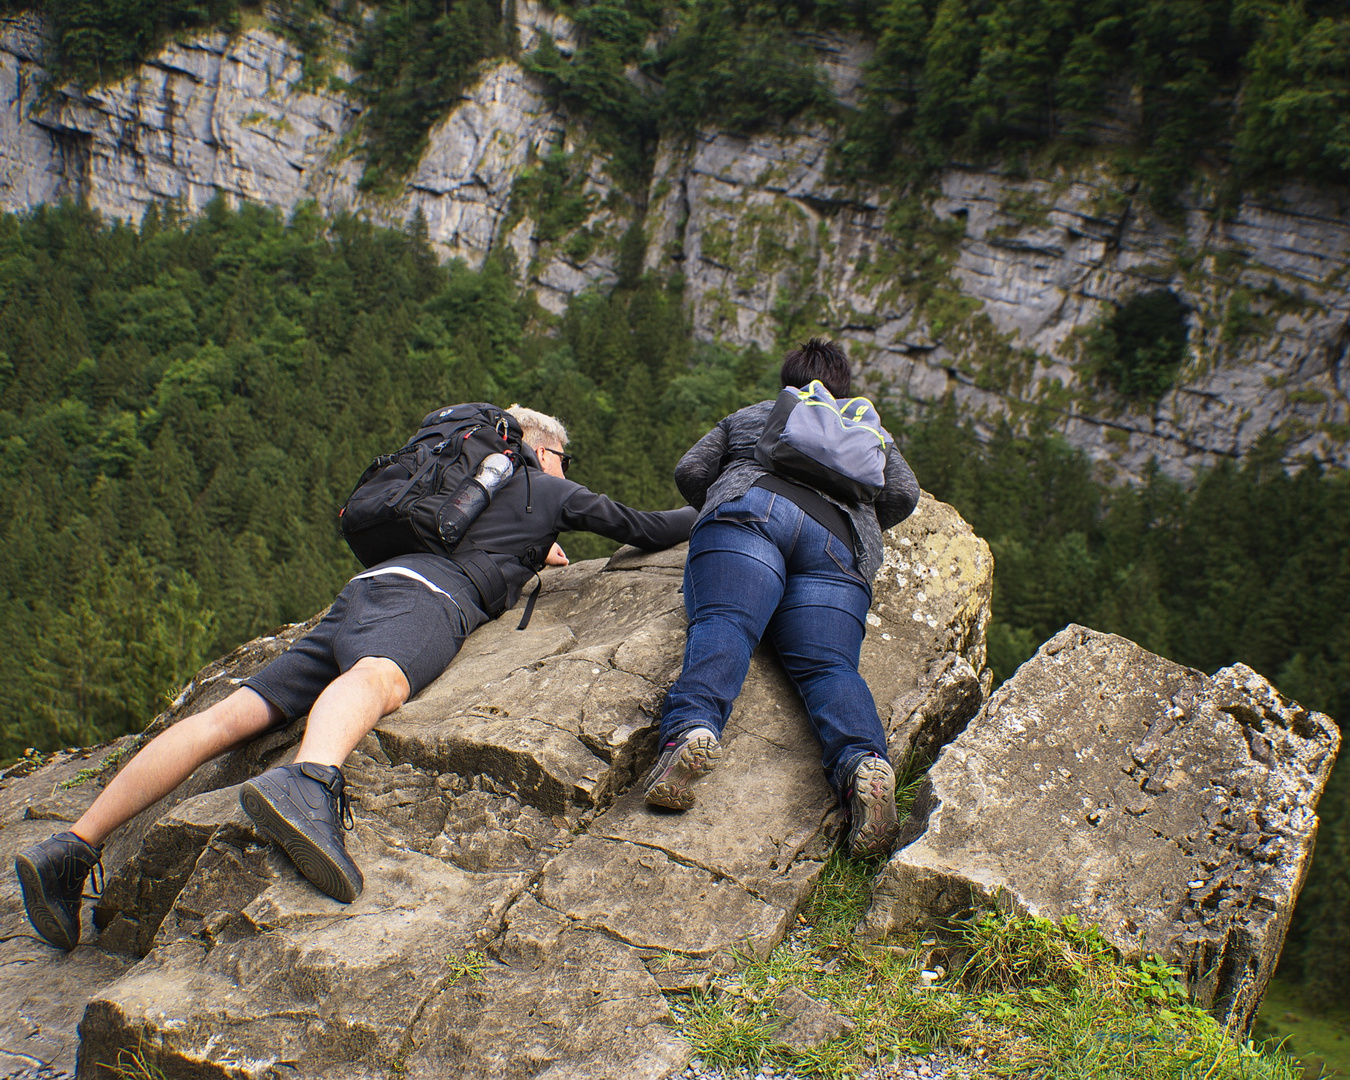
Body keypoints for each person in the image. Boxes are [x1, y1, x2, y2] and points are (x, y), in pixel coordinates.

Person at [16, 405, 696, 950]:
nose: (563, 468)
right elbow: (643, 525)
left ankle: (70, 849)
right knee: (381, 677)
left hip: (366, 589)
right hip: (429, 597)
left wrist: (532, 553)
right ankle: (309, 780)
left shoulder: (459, 488)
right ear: (542, 449)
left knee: (232, 716)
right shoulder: (543, 484)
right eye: (562, 458)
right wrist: (734, 501)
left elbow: (493, 540)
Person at [640, 339, 920, 857]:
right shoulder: (868, 430)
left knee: (727, 622)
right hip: (837, 544)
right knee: (830, 667)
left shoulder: (756, 413)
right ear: (844, 387)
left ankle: (693, 732)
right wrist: (855, 521)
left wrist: (725, 498)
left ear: (788, 380)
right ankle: (864, 763)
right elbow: (904, 494)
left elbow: (689, 470)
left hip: (755, 510)